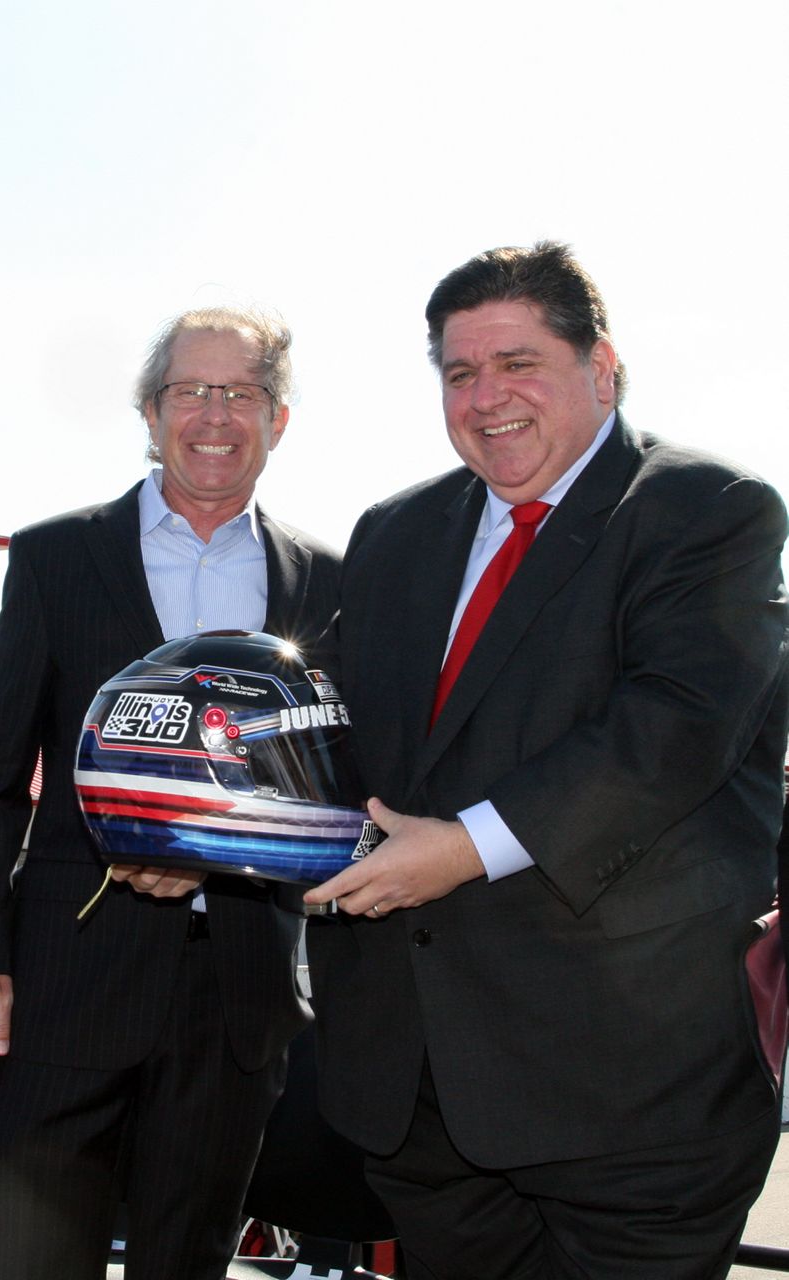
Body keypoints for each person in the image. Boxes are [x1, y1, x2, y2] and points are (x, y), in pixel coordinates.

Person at [304, 242, 789, 1279]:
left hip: (632, 1097)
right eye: (458, 372)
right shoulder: (392, 532)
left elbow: (671, 727)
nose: (486, 398)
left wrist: (466, 847)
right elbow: (331, 729)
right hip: (425, 1102)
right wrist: (199, 828)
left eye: (517, 362)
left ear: (599, 365)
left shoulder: (707, 510)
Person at [0, 303, 341, 1280]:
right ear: (151, 411)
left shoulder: (326, 580)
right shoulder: (56, 558)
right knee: (35, 1261)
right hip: (64, 984)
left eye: (240, 391)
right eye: (190, 390)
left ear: (276, 417)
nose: (214, 413)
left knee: (188, 1262)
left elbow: (331, 784)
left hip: (237, 994)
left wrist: (216, 849)